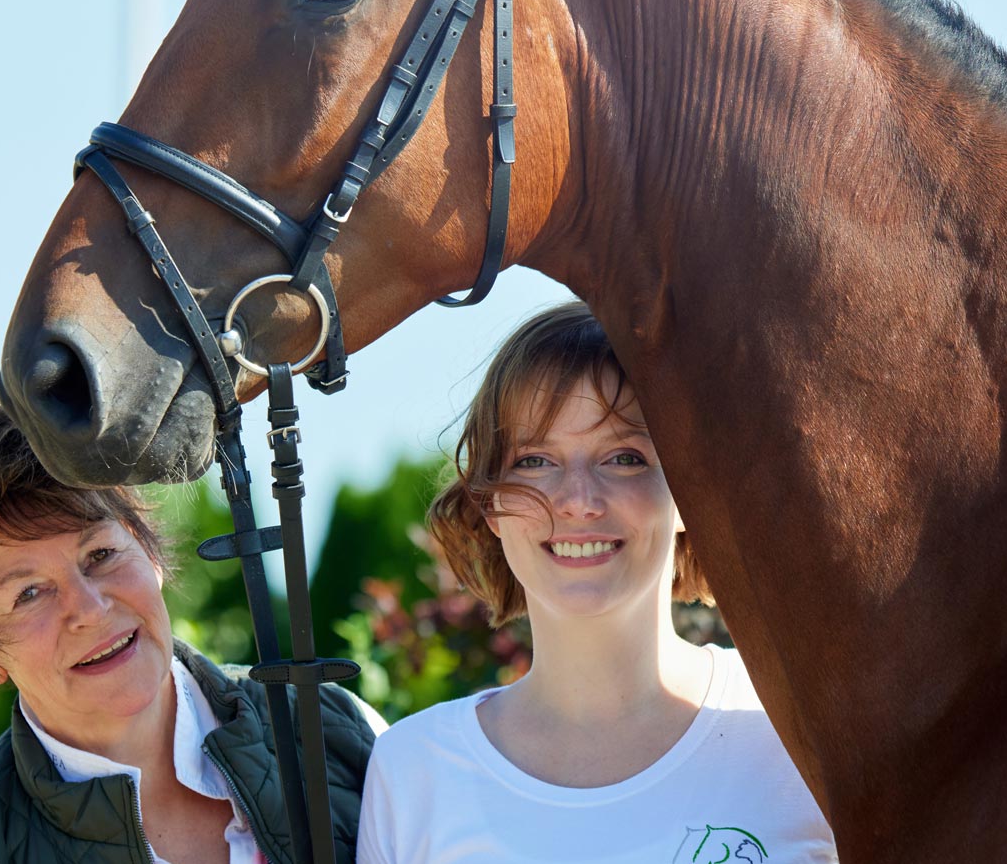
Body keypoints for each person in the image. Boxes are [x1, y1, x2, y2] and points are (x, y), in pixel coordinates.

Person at [356, 302, 837, 863]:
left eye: (624, 458)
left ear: (690, 489)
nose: (579, 500)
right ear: (490, 503)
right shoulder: (413, 773)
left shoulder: (804, 731)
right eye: (535, 461)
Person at [0, 387, 383, 864]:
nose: (91, 608)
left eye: (100, 554)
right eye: (28, 593)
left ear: (149, 550)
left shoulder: (342, 733)